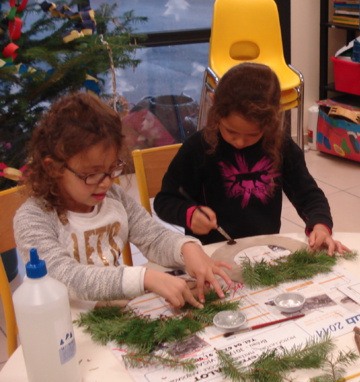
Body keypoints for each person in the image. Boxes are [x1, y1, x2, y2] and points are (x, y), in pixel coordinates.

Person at [14, 92, 233, 310]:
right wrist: (144, 278)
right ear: (53, 168)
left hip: (116, 316)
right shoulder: (34, 218)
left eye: (112, 169)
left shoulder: (113, 198)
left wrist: (186, 249)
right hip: (63, 326)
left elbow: (153, 238)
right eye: (92, 174)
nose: (106, 183)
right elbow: (66, 277)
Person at [154, 62, 347, 255]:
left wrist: (320, 226)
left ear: (272, 120)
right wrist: (190, 214)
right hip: (209, 254)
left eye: (253, 135)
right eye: (230, 131)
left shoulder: (281, 146)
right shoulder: (197, 148)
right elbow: (164, 202)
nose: (239, 142)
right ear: (215, 106)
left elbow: (309, 196)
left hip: (262, 251)